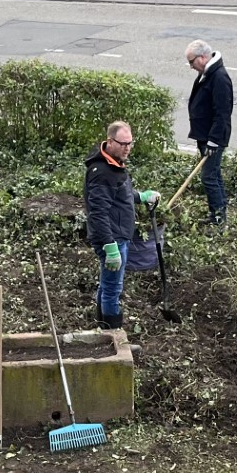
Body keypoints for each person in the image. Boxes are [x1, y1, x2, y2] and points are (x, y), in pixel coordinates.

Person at [82, 121, 158, 329]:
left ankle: (102, 328)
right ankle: (112, 334)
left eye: (130, 143)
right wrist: (110, 246)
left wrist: (140, 197)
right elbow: (98, 213)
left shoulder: (113, 164)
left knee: (107, 285)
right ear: (110, 142)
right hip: (112, 239)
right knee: (113, 288)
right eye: (123, 143)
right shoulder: (102, 173)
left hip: (118, 236)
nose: (127, 148)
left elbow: (118, 195)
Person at [184, 39, 234, 228]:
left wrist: (213, 140)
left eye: (192, 62)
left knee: (209, 177)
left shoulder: (219, 77)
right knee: (214, 174)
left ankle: (219, 220)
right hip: (205, 135)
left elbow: (223, 112)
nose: (191, 66)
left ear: (203, 57)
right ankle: (218, 214)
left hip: (213, 138)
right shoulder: (207, 73)